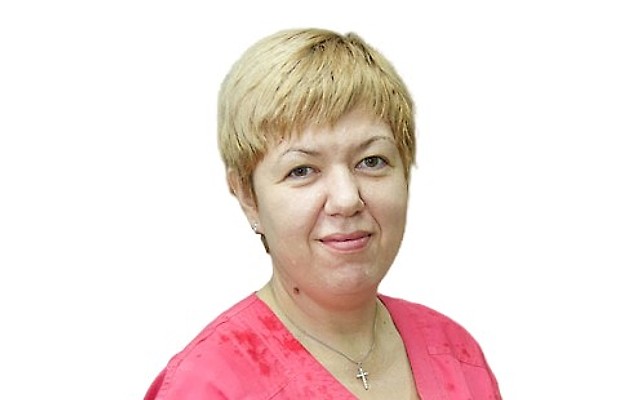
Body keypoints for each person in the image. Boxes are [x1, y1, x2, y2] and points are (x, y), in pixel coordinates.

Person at [144, 27, 502, 399]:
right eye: (302, 170)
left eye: (371, 161)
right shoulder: (207, 384)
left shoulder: (456, 353)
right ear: (248, 197)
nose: (347, 200)